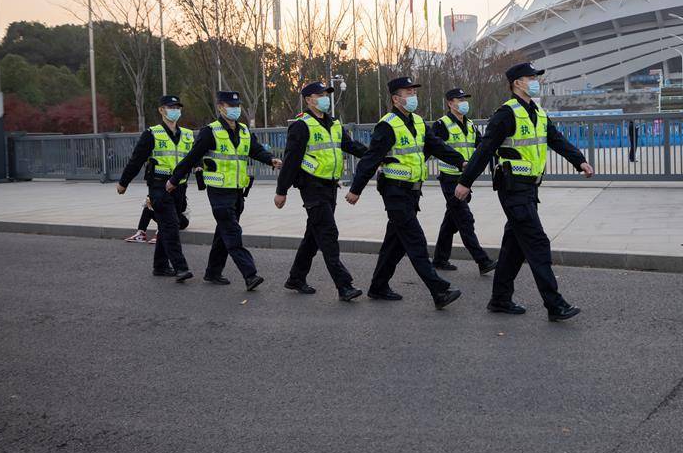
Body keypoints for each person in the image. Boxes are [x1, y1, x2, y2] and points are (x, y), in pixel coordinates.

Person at [454, 62, 595, 322]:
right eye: (530, 77)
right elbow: (485, 149)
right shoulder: (506, 114)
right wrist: (465, 181)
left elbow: (556, 139)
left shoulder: (538, 113)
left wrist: (579, 160)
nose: (535, 81)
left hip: (529, 188)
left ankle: (499, 299)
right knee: (538, 242)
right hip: (512, 188)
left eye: (535, 77)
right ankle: (555, 304)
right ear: (517, 83)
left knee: (514, 246)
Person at [344, 76, 465, 310]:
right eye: (408, 93)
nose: (412, 96)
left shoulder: (418, 122)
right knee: (415, 241)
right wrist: (356, 189)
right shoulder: (387, 125)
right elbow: (371, 158)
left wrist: (460, 162)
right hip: (394, 191)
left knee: (396, 243)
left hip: (411, 193)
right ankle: (439, 291)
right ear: (395, 98)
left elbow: (436, 146)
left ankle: (378, 286)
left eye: (413, 92)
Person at [168, 91, 281, 290]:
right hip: (218, 190)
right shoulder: (210, 131)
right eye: (231, 105)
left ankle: (213, 272)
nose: (235, 109)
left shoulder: (244, 130)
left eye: (237, 106)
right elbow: (192, 157)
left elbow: (255, 150)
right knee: (232, 232)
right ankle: (250, 274)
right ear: (220, 107)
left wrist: (270, 159)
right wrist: (175, 179)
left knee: (223, 232)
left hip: (238, 190)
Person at [274, 82, 367, 302]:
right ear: (308, 99)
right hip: (312, 187)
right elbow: (291, 160)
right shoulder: (301, 125)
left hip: (330, 186)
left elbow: (350, 145)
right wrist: (281, 191)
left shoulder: (333, 123)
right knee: (328, 234)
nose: (325, 98)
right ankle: (344, 286)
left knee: (313, 236)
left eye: (327, 94)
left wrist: (374, 155)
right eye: (320, 95)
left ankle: (296, 278)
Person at [116, 94, 194, 282]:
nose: (175, 111)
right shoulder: (152, 134)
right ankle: (181, 267)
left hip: (179, 187)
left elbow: (194, 157)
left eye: (177, 108)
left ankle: (160, 266)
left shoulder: (187, 134)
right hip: (159, 186)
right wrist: (123, 182)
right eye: (171, 107)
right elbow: (137, 160)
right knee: (171, 226)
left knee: (167, 226)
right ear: (161, 110)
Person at [430, 87, 497, 274]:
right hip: (450, 178)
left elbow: (483, 147)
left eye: (464, 99)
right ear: (450, 103)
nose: (463, 102)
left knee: (451, 220)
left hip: (465, 179)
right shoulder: (441, 125)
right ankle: (482, 260)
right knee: (465, 219)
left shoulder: (471, 125)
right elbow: (436, 148)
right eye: (459, 99)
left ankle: (439, 259)